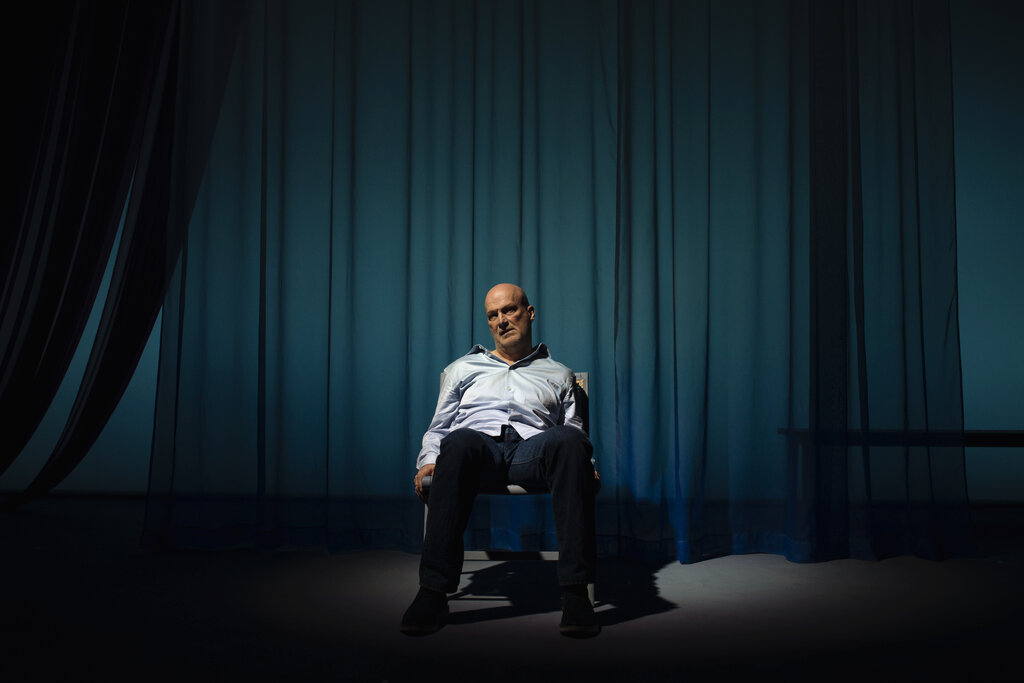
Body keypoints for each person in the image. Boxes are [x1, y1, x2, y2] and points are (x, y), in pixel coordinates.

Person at [400, 283, 600, 638]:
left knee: (570, 440)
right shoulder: (462, 369)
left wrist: (587, 464)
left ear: (529, 313)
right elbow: (440, 426)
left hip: (532, 453)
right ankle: (433, 592)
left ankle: (575, 592)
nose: (501, 321)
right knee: (456, 441)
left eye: (509, 310)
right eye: (493, 315)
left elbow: (574, 432)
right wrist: (428, 460)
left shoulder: (560, 374)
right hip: (476, 453)